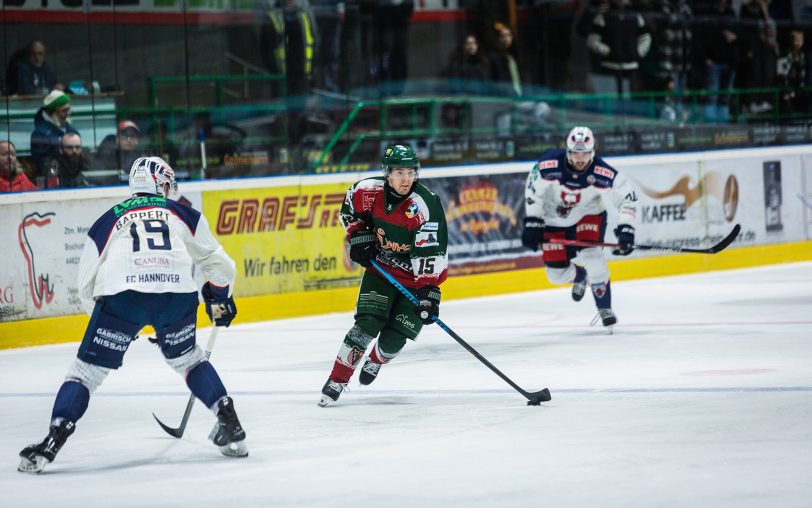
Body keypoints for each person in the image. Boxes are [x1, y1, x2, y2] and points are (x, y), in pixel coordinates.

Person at [18, 156, 246, 474]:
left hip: (122, 297)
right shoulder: (183, 213)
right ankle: (229, 420)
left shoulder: (109, 218)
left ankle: (52, 442)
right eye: (167, 184)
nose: (168, 190)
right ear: (160, 184)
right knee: (190, 360)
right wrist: (219, 298)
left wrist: (111, 322)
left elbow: (85, 282)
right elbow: (221, 265)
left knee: (84, 374)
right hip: (176, 296)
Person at [318, 144, 448, 407]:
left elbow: (431, 252)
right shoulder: (366, 191)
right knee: (366, 324)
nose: (406, 179)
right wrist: (358, 235)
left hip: (415, 279)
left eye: (411, 172)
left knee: (394, 338)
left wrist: (427, 292)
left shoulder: (424, 205)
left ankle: (377, 361)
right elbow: (349, 213)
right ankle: (337, 380)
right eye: (399, 172)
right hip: (382, 269)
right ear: (387, 173)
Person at [521, 126, 638, 328]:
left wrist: (626, 229)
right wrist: (533, 221)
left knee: (593, 256)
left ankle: (604, 308)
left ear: (592, 152)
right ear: (568, 151)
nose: (580, 159)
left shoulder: (602, 171)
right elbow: (533, 190)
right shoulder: (548, 164)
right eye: (576, 153)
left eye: (585, 153)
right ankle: (581, 277)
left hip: (588, 213)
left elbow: (628, 197)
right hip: (553, 217)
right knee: (556, 275)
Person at [30, 89, 79, 181]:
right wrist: (55, 175)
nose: (68, 114)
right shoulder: (40, 134)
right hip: (53, 182)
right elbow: (41, 163)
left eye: (69, 110)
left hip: (72, 178)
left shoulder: (71, 129)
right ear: (53, 111)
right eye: (64, 110)